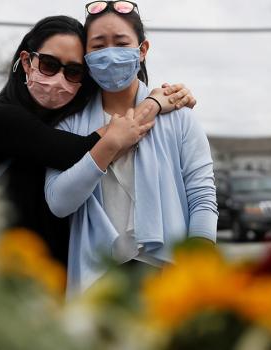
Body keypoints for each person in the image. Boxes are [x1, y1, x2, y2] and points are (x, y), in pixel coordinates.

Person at [0, 15, 197, 268]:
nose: (59, 79)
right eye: (49, 65)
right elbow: (77, 153)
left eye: (74, 71)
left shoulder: (67, 119)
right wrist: (152, 105)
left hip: (56, 277)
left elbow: (201, 191)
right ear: (26, 61)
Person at [45, 1, 218, 297]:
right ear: (86, 56)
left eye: (121, 42)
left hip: (167, 277)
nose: (109, 53)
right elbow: (59, 202)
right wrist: (110, 145)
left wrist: (196, 269)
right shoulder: (68, 124)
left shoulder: (179, 117)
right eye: (98, 46)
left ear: (142, 50)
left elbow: (202, 197)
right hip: (96, 280)